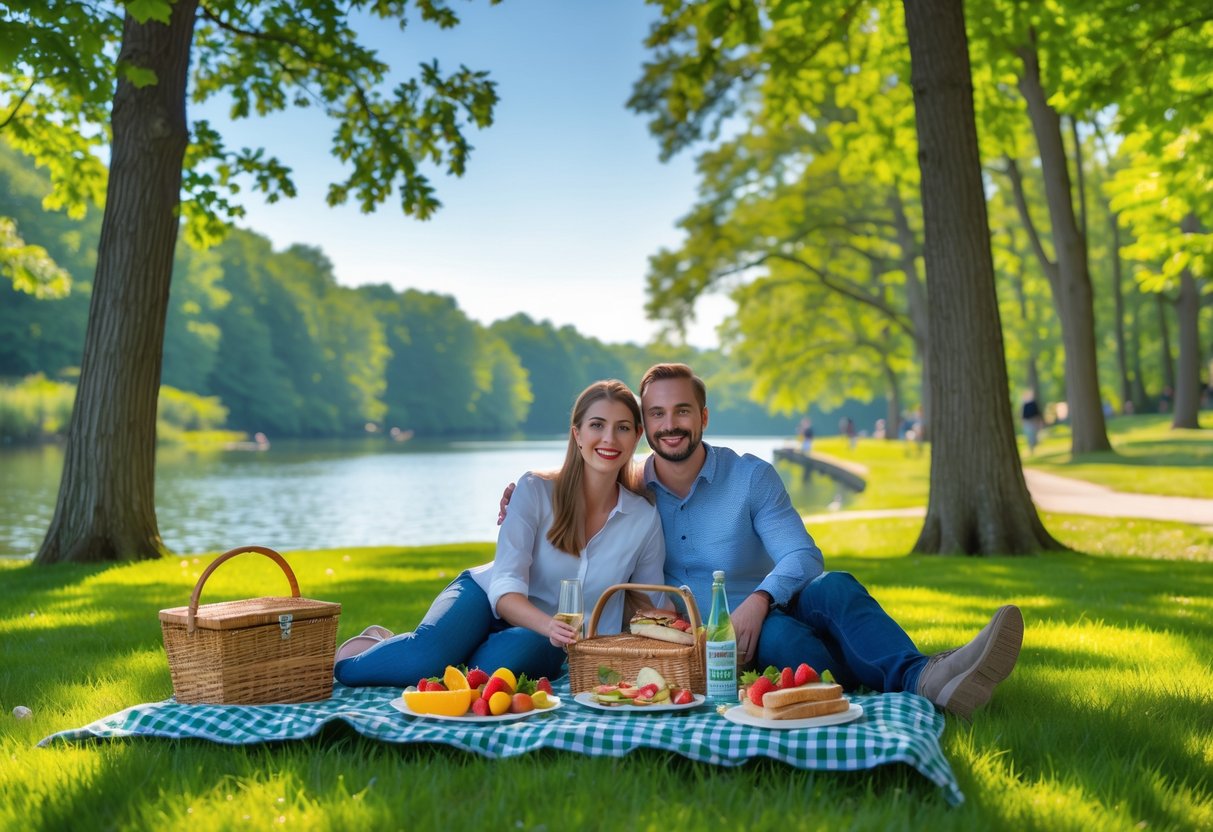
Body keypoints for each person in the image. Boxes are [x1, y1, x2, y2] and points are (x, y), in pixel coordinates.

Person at [500, 364, 1023, 721]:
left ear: (703, 417)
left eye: (682, 411)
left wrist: (760, 599)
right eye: (656, 415)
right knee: (789, 649)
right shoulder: (633, 486)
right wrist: (521, 491)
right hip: (719, 642)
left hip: (774, 603)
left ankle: (926, 677)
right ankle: (931, 674)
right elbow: (584, 471)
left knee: (835, 586)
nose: (669, 425)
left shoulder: (750, 477)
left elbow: (801, 555)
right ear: (644, 427)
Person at [336, 379, 666, 687]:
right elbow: (505, 589)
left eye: (622, 428)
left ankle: (453, 650)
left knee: (490, 672)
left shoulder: (642, 518)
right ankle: (360, 652)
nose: (609, 438)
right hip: (485, 596)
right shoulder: (535, 490)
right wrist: (549, 624)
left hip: (541, 638)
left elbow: (651, 601)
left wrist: (681, 627)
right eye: (597, 425)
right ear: (577, 433)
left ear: (636, 436)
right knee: (421, 662)